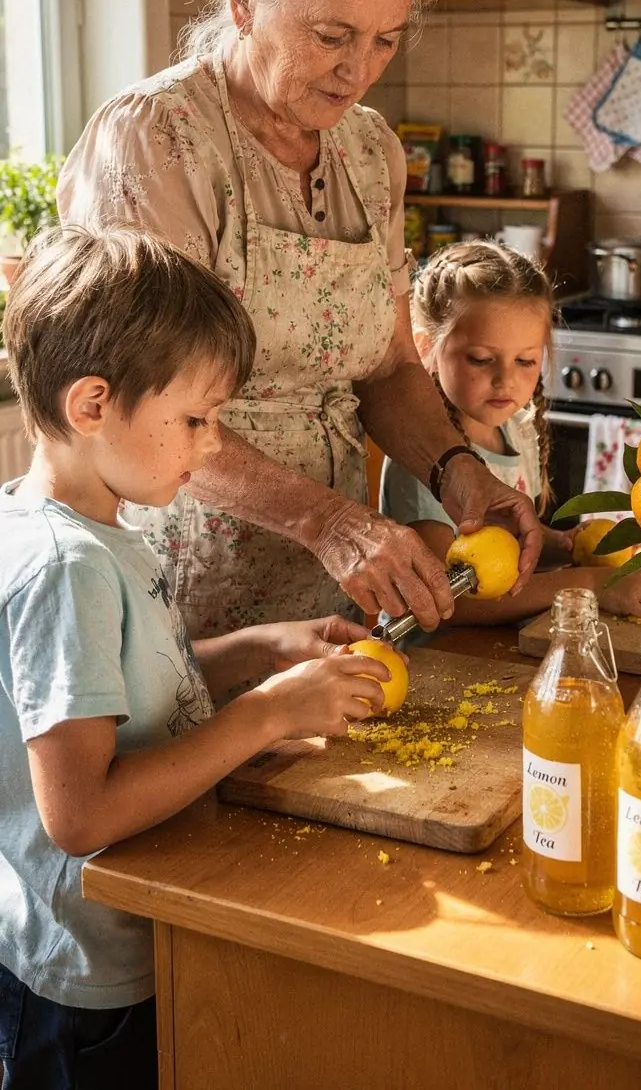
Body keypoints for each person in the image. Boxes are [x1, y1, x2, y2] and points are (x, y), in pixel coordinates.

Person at [57, 0, 541, 641]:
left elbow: (386, 365)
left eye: (386, 40)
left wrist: (461, 474)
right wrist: (330, 523)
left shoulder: (370, 150)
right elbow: (145, 409)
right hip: (183, 580)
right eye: (331, 36)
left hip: (339, 577)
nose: (358, 71)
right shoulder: (157, 140)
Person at [0, 226, 395, 1090]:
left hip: (141, 922)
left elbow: (122, 689)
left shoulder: (93, 530)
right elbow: (81, 814)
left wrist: (253, 652)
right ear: (92, 404)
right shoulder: (66, 570)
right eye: (195, 419)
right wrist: (268, 714)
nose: (212, 444)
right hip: (91, 974)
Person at [381, 240, 641, 626]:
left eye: (525, 361)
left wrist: (564, 546)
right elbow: (451, 601)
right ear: (426, 349)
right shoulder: (420, 460)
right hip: (435, 658)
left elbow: (508, 552)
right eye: (482, 359)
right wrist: (589, 583)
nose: (506, 380)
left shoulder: (518, 430)